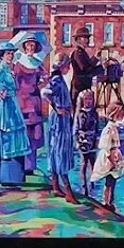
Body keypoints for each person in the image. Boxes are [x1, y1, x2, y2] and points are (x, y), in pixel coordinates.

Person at [0, 42, 31, 185]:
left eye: (12, 54)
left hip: (13, 104)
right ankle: (6, 176)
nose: (10, 56)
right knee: (7, 134)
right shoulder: (1, 68)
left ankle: (15, 175)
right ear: (1, 56)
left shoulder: (9, 69)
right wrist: (0, 93)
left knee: (16, 134)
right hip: (5, 106)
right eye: (8, 54)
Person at [44, 53, 79, 204]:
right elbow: (45, 93)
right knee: (60, 151)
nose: (69, 68)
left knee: (55, 150)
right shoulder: (57, 80)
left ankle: (55, 186)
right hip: (59, 119)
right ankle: (68, 192)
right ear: (62, 66)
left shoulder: (59, 79)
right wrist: (56, 107)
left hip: (61, 118)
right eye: (67, 65)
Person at [13, 33, 47, 176]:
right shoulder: (19, 64)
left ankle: (31, 166)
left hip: (35, 101)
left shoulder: (38, 63)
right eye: (28, 45)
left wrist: (40, 84)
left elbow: (45, 77)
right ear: (25, 47)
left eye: (33, 45)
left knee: (35, 135)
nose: (31, 47)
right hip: (23, 101)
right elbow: (15, 82)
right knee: (24, 134)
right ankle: (22, 165)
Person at [90, 103, 124, 212]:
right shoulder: (109, 129)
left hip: (114, 156)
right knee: (109, 180)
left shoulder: (113, 127)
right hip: (109, 158)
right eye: (122, 113)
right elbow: (106, 147)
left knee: (112, 180)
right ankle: (106, 201)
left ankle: (110, 201)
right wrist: (112, 161)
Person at [73, 89, 99, 197]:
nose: (88, 101)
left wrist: (97, 140)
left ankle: (92, 185)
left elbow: (97, 128)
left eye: (90, 99)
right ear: (82, 100)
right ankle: (84, 187)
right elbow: (75, 129)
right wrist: (77, 141)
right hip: (83, 140)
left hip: (92, 140)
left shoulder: (94, 113)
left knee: (93, 163)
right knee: (83, 163)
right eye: (86, 99)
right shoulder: (79, 113)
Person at [70, 26, 104, 106]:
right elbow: (86, 71)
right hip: (79, 88)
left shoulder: (82, 52)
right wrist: (103, 67)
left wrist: (96, 58)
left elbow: (88, 67)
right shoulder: (78, 53)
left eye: (87, 38)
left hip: (83, 87)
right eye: (84, 38)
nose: (87, 40)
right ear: (78, 39)